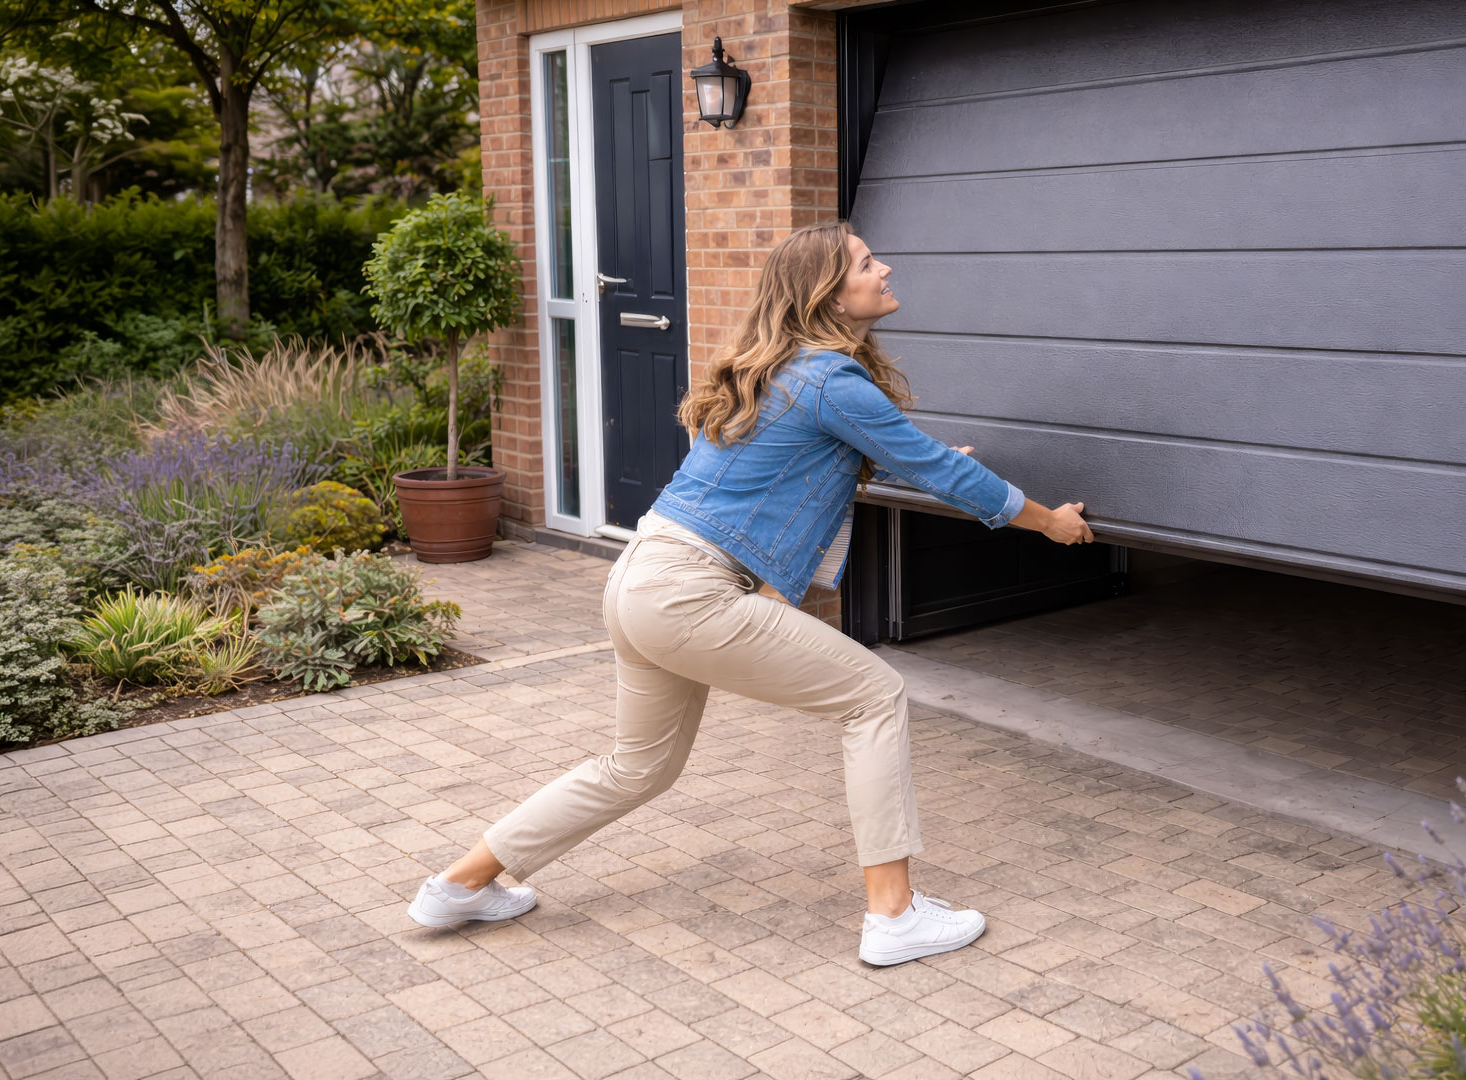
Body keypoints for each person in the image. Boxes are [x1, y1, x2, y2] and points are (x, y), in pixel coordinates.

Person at [407, 220, 1094, 965]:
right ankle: (893, 916)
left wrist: (920, 459)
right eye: (868, 263)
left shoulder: (787, 370)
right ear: (829, 292)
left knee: (637, 766)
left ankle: (461, 885)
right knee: (874, 697)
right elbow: (943, 472)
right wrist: (1047, 521)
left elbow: (850, 458)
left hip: (643, 576)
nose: (886, 268)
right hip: (692, 592)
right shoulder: (830, 378)